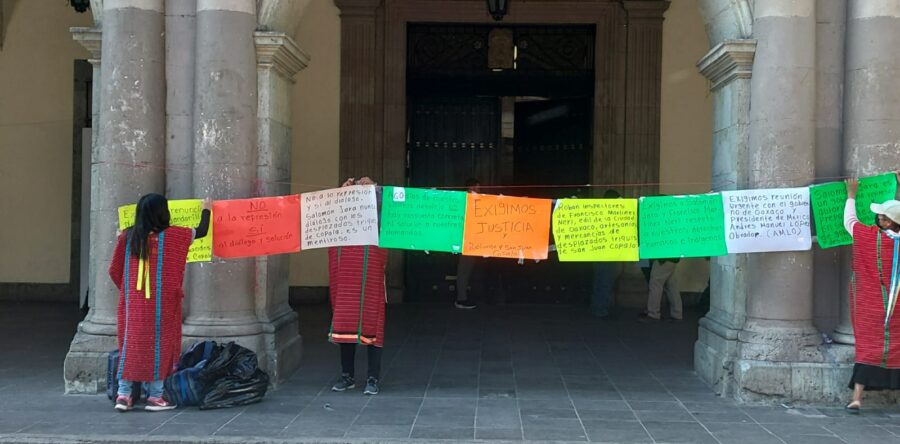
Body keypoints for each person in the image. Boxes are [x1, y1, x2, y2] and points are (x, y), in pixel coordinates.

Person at [109, 193, 211, 412]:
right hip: (162, 304)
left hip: (133, 304)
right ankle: (155, 397)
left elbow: (115, 270)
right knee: (160, 345)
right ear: (163, 212)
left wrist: (129, 292)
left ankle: (123, 395)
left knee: (130, 344)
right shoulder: (175, 235)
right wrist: (207, 209)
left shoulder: (128, 237)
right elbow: (202, 231)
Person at [843, 172, 900, 413]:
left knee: (868, 348)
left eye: (881, 216)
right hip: (897, 310)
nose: (877, 217)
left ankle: (857, 398)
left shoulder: (870, 237)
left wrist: (851, 195)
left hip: (871, 307)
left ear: (887, 222)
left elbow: (850, 223)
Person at [329, 176, 389, 396]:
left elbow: (391, 210)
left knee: (374, 327)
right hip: (346, 280)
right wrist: (340, 194)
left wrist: (377, 190)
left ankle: (373, 377)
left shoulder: (379, 219)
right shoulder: (340, 220)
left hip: (370, 279)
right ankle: (348, 376)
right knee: (345, 324)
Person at [591, 189, 623, 318]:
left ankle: (597, 307)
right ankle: (601, 309)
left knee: (600, 281)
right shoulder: (613, 214)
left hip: (600, 254)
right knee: (605, 281)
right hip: (609, 254)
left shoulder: (600, 213)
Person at [455, 178, 481, 309]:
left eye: (478, 188)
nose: (477, 191)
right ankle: (461, 299)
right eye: (474, 188)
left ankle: (465, 297)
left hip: (476, 241)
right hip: (465, 242)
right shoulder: (463, 201)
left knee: (469, 269)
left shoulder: (481, 202)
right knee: (464, 269)